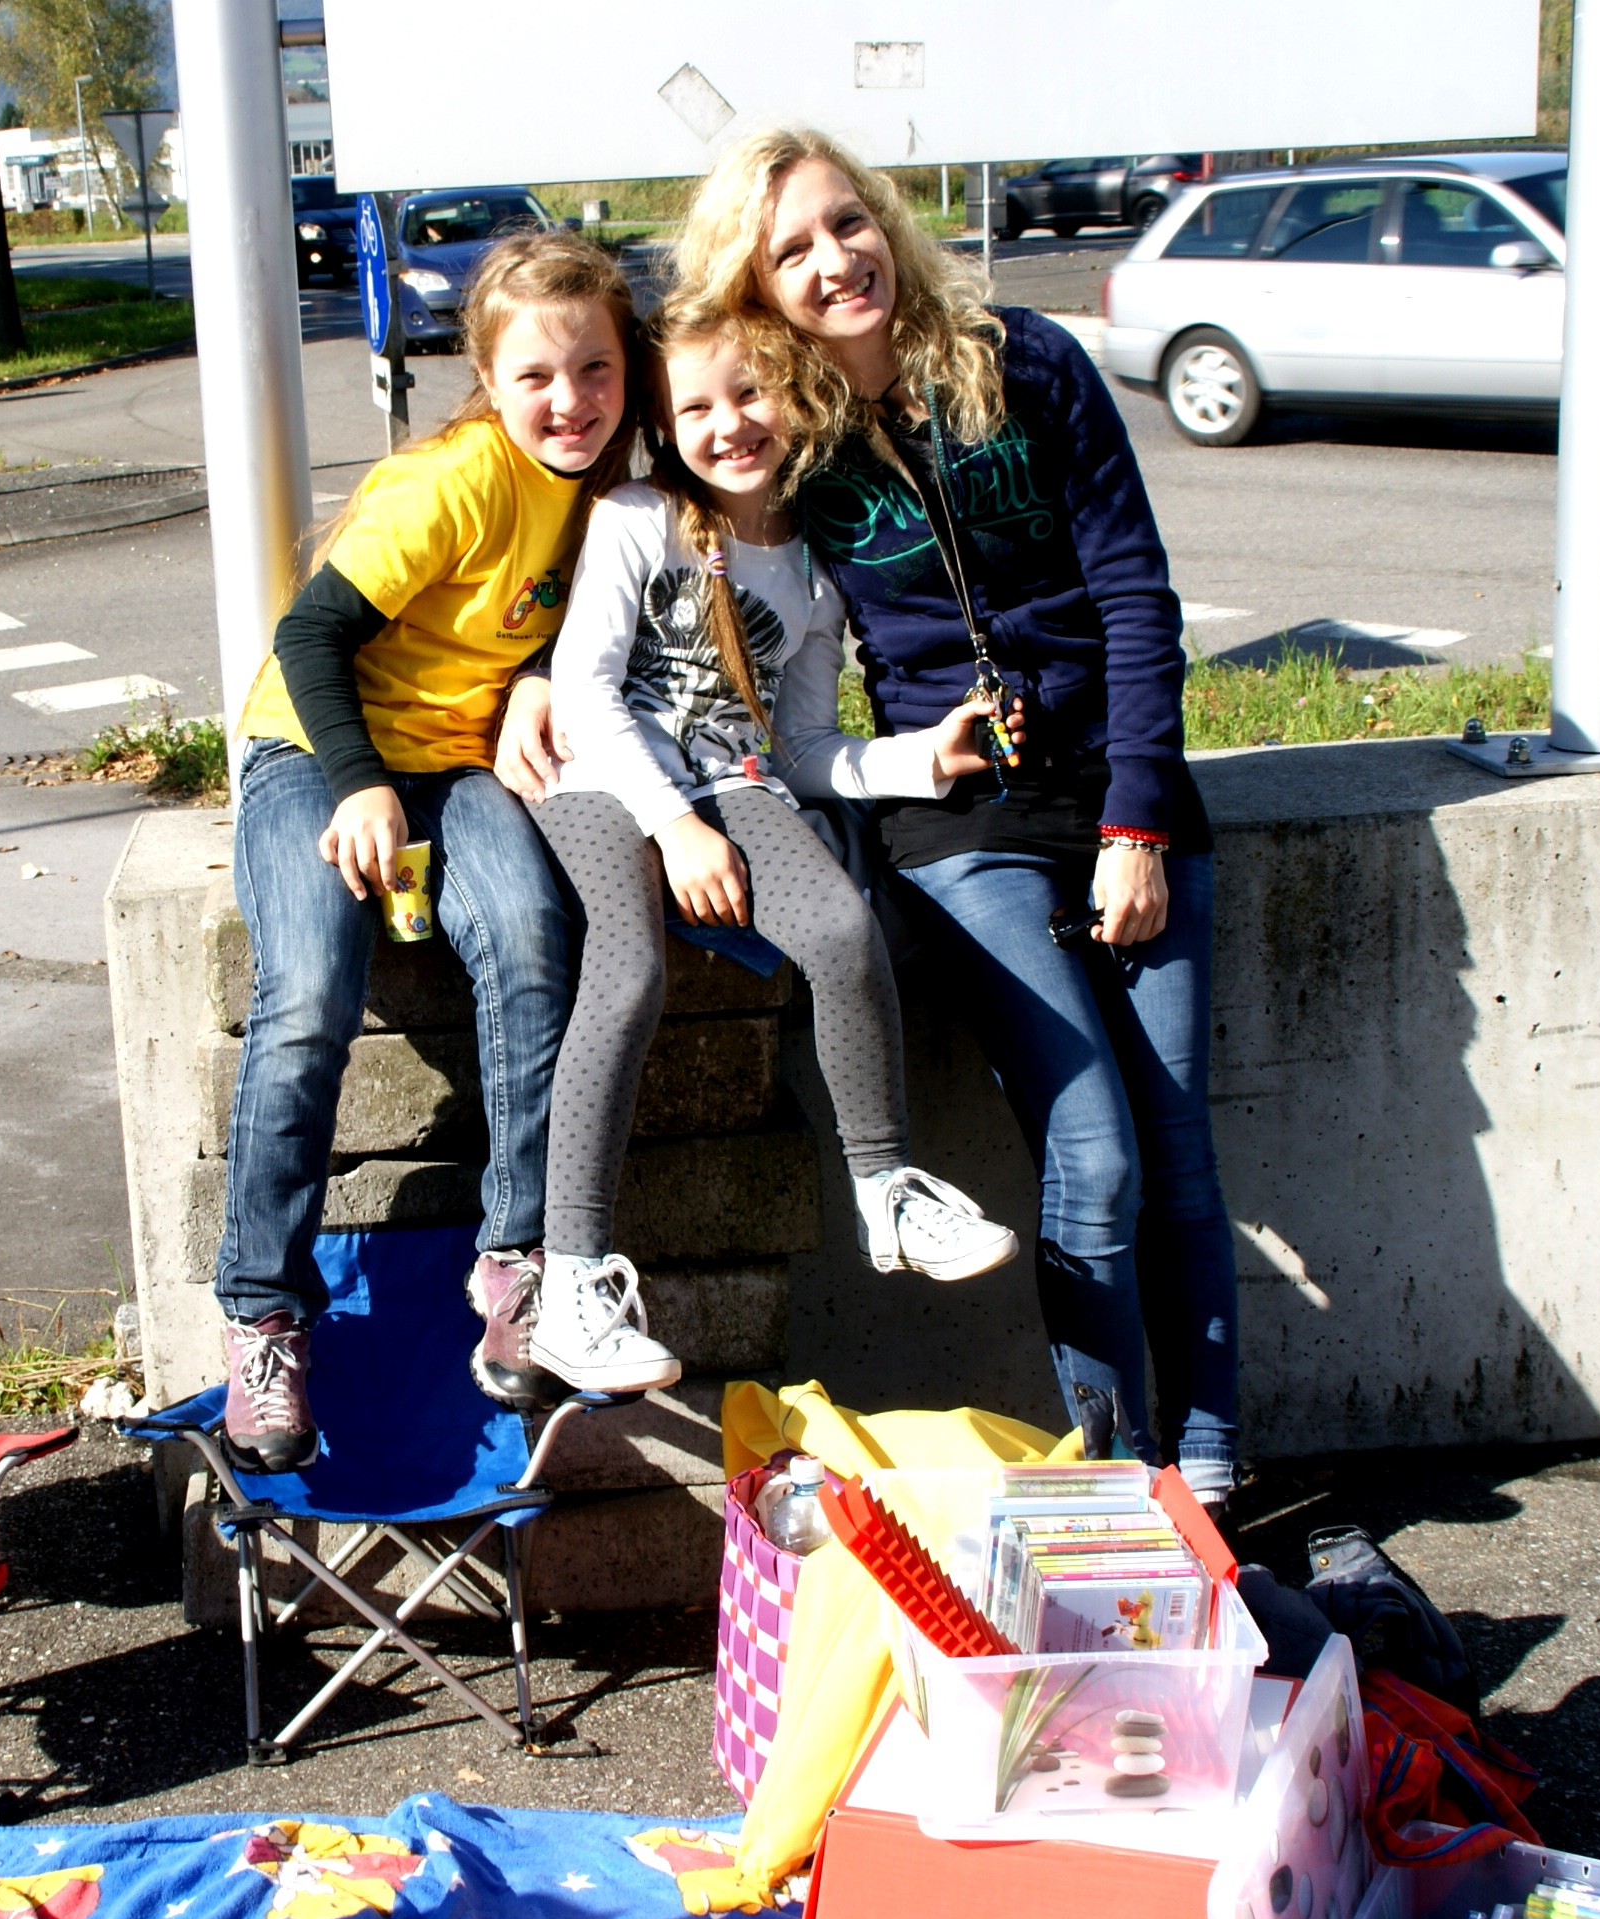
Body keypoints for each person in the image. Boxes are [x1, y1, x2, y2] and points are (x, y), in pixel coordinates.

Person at [675, 129, 1240, 1505]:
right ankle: (1122, 1480)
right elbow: (634, 536)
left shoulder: (1023, 364)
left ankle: (1214, 1464)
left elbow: (1133, 593)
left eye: (847, 222)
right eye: (792, 250)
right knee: (1094, 1152)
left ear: (886, 220)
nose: (835, 260)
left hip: (1116, 787)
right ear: (755, 286)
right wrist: (533, 693)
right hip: (959, 811)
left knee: (1177, 1152)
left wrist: (1136, 825)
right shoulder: (784, 438)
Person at [525, 295, 1021, 1395]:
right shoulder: (637, 517)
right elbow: (585, 694)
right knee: (629, 968)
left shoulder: (808, 566)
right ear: (663, 425)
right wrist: (676, 827)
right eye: (697, 407)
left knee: (842, 928)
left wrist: (918, 760)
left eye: (749, 392)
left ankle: (887, 1191)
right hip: (601, 779)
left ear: (792, 394)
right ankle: (569, 1277)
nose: (730, 423)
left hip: (733, 782)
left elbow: (799, 746)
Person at [213, 229, 641, 1472]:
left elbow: (576, 626)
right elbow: (309, 637)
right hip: (318, 750)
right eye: (537, 376)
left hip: (455, 766)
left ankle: (516, 1258)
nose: (570, 400)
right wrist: (357, 785)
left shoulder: (608, 487)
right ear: (487, 380)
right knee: (308, 992)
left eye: (596, 369)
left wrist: (533, 679)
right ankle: (263, 1312)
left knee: (529, 935)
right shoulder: (450, 483)